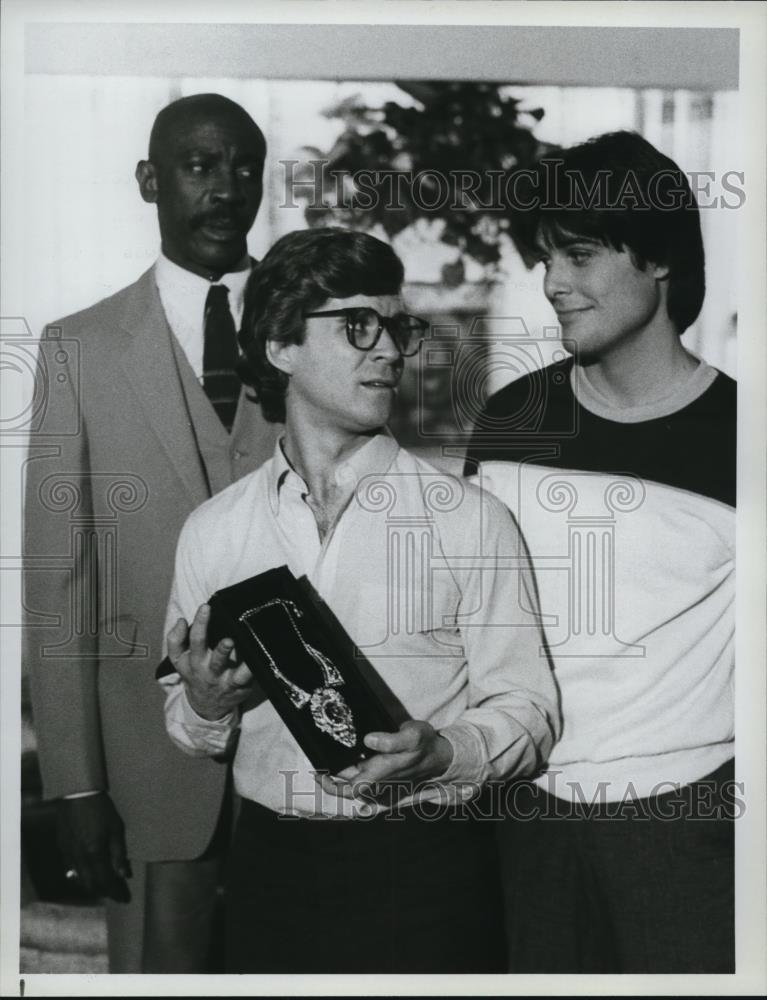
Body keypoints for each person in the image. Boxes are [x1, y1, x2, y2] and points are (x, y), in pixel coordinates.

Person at [158, 227, 560, 974]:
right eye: (356, 326)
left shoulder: (468, 518)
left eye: (395, 327)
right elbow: (183, 720)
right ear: (280, 346)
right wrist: (207, 706)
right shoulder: (213, 532)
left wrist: (442, 751)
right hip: (269, 870)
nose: (389, 350)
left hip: (429, 871)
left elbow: (529, 710)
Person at [464, 130, 736, 973]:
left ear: (656, 260)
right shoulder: (510, 421)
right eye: (546, 258)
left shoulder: (742, 438)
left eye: (578, 256)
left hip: (691, 829)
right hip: (525, 817)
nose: (552, 284)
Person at [23, 93, 278, 972]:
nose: (226, 188)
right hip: (144, 769)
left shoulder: (314, 334)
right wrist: (77, 783)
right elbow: (58, 577)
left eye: (244, 166)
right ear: (149, 181)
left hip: (308, 766)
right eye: (200, 166)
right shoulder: (77, 349)